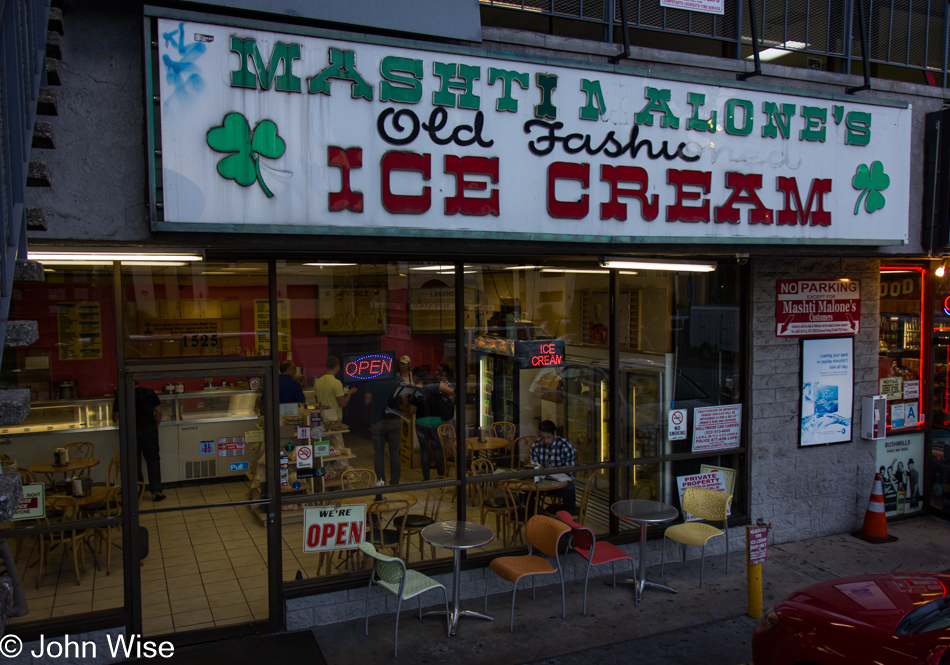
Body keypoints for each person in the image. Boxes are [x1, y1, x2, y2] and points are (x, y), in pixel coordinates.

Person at [113, 383, 165, 501]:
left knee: (134, 461)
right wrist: (154, 425)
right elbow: (159, 412)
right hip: (149, 430)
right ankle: (156, 491)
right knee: (153, 460)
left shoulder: (122, 394)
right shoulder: (149, 392)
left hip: (131, 432)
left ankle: (137, 490)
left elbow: (115, 417)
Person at [530, 419, 577, 514]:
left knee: (570, 490)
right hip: (542, 481)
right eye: (542, 438)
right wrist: (538, 468)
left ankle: (567, 520)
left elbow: (571, 469)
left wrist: (555, 470)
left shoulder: (565, 445)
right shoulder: (536, 445)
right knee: (526, 492)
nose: (545, 441)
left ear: (554, 433)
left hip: (561, 481)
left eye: (548, 437)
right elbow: (533, 464)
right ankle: (536, 517)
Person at [409, 366, 446, 480]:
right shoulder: (433, 387)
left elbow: (411, 410)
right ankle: (441, 475)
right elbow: (450, 391)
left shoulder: (416, 390)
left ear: (415, 377)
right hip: (436, 421)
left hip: (422, 421)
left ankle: (426, 478)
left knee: (424, 450)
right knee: (437, 448)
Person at [365, 373, 402, 486]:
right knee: (394, 453)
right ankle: (395, 482)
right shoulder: (399, 380)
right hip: (394, 420)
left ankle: (381, 481)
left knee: (379, 454)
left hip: (378, 420)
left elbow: (367, 401)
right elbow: (405, 400)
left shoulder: (373, 380)